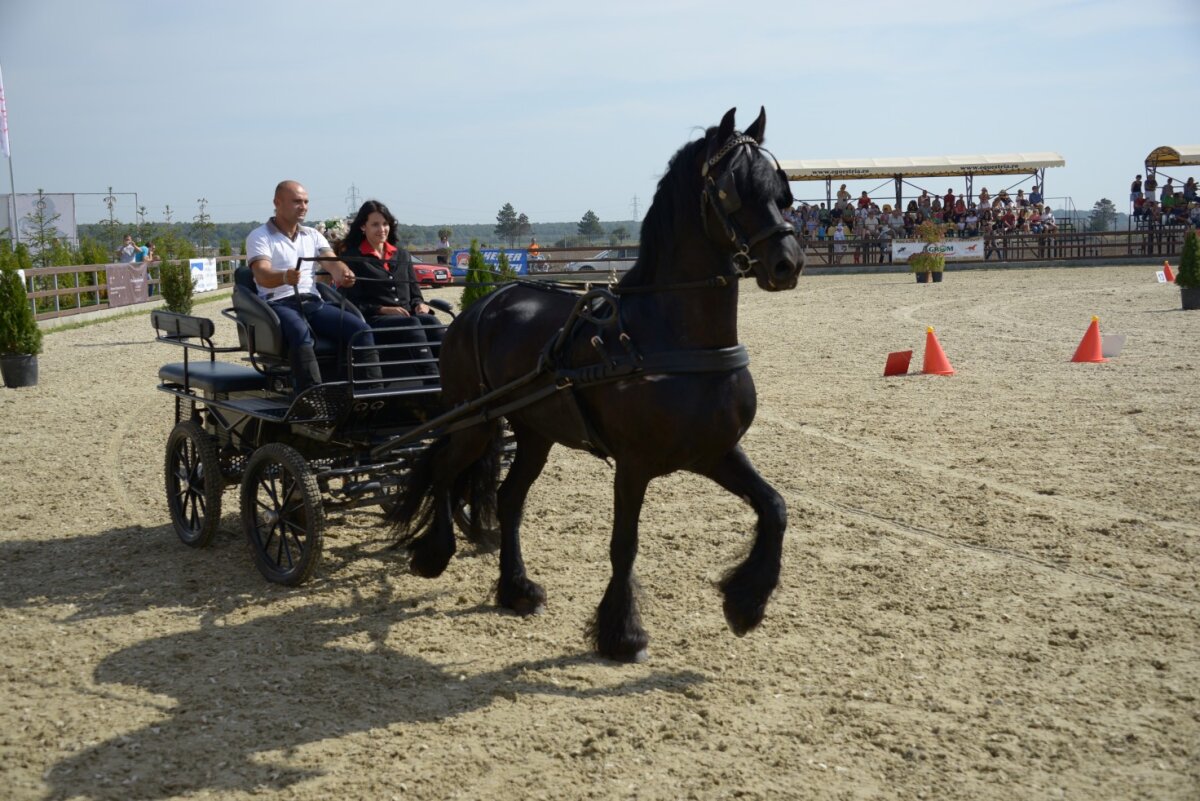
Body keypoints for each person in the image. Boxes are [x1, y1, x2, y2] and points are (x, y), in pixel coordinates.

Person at [245, 180, 378, 393]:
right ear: (277, 202)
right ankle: (312, 395)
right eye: (297, 201)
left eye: (306, 202)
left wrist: (344, 274)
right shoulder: (259, 236)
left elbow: (331, 263)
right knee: (299, 331)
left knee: (360, 330)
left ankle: (370, 391)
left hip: (313, 302)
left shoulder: (312, 235)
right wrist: (285, 277)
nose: (304, 206)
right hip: (278, 304)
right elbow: (261, 275)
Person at [338, 199, 443, 382]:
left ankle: (455, 373)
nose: (382, 229)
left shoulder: (402, 255)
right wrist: (383, 309)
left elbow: (415, 293)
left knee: (431, 321)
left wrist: (419, 304)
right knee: (412, 324)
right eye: (375, 225)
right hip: (375, 320)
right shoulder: (352, 258)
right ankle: (433, 379)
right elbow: (351, 302)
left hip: (408, 316)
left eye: (385, 224)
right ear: (363, 227)